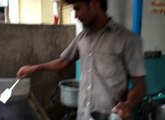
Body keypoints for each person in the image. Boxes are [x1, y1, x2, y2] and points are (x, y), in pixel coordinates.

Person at [16, 0, 146, 120]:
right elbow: (63, 62)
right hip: (83, 115)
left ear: (94, 4)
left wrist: (127, 105)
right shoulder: (81, 38)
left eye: (77, 9)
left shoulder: (128, 40)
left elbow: (139, 86)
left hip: (110, 116)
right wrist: (34, 68)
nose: (75, 16)